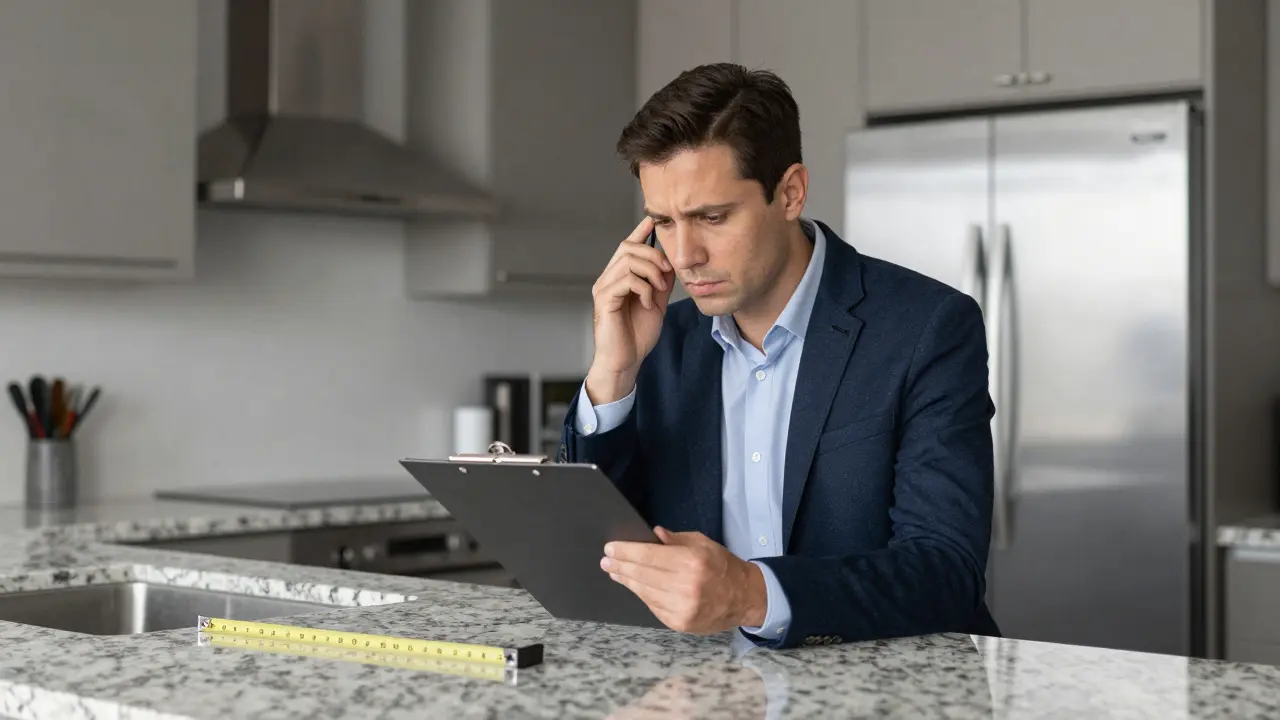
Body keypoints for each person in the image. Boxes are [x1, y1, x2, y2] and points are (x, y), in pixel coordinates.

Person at [558, 62, 1000, 649]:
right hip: (710, 691)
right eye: (662, 222)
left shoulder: (927, 327)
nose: (684, 255)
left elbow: (947, 573)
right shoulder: (661, 338)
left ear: (789, 192)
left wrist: (750, 592)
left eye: (711, 217)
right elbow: (596, 561)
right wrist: (613, 374)